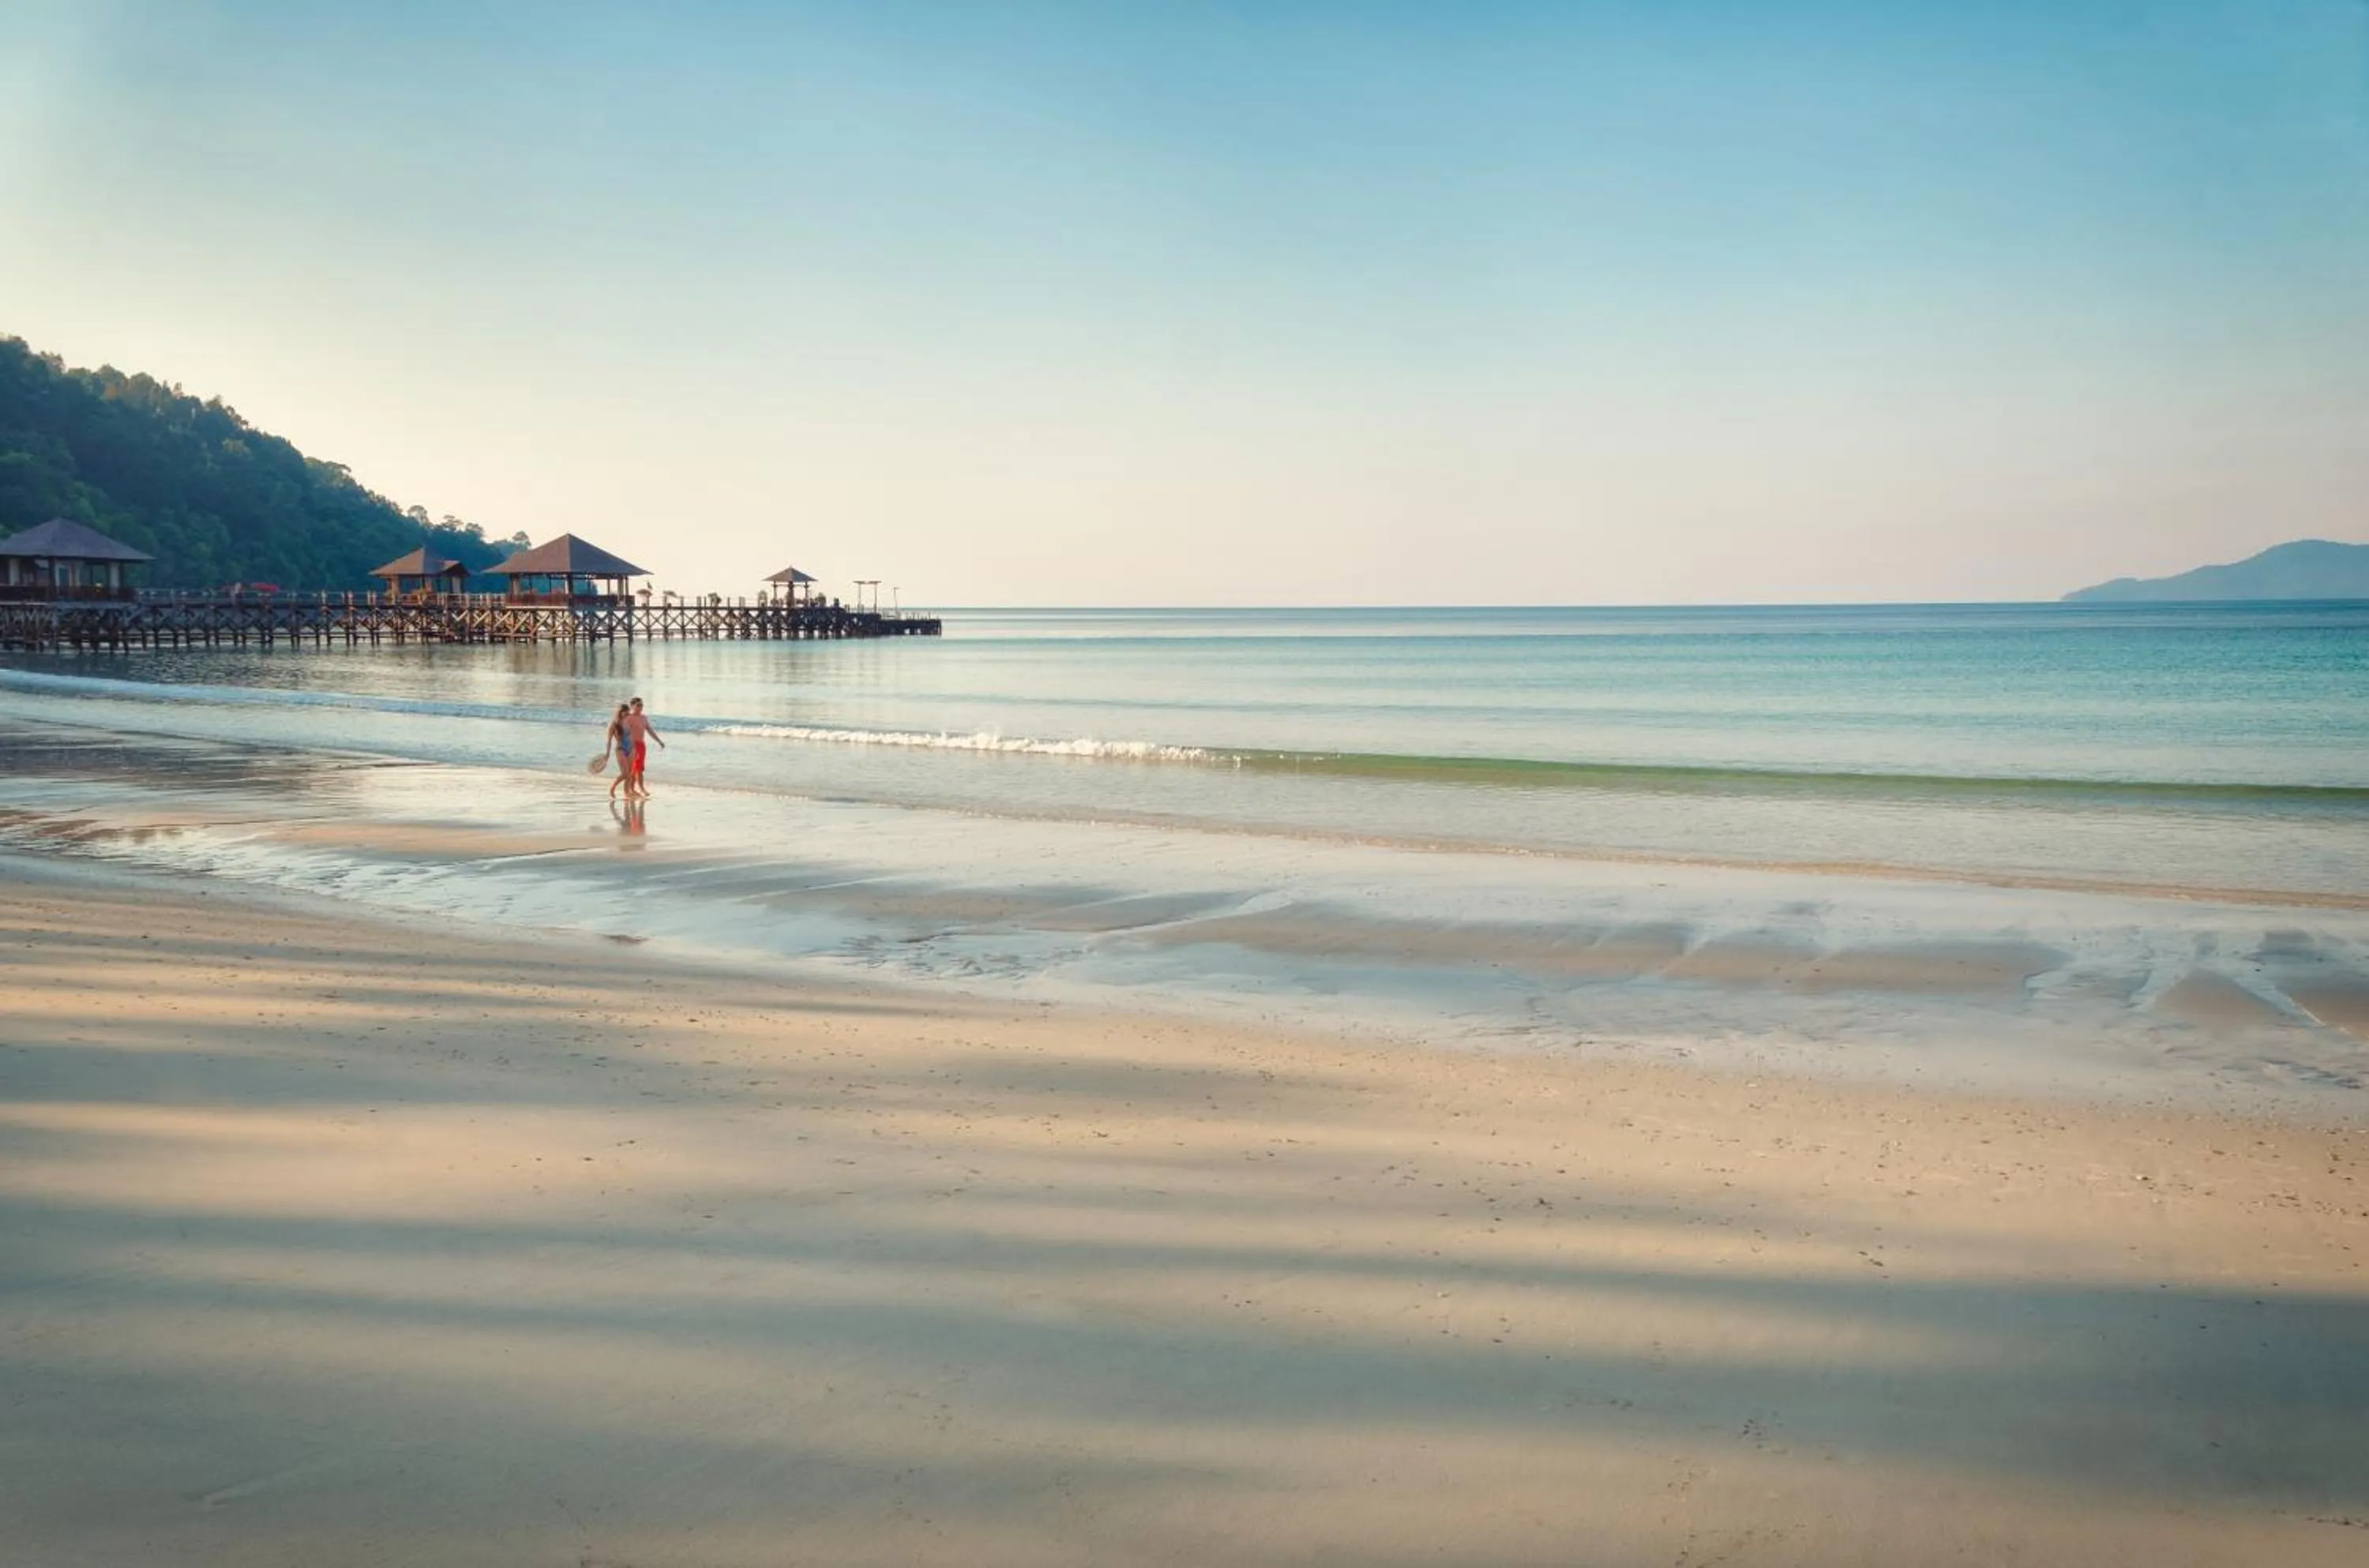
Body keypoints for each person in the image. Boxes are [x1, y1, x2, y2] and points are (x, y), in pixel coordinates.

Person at [623, 696, 665, 796]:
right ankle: (636, 789)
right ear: (632, 706)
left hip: (641, 745)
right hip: (631, 746)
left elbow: (649, 730)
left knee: (639, 768)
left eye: (642, 705)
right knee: (632, 769)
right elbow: (624, 734)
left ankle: (634, 789)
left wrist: (659, 741)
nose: (641, 707)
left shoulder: (644, 718)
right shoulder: (628, 718)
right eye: (638, 705)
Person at [602, 703, 635, 801]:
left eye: (628, 712)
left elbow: (631, 736)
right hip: (620, 749)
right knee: (625, 773)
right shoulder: (613, 724)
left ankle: (627, 793)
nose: (627, 714)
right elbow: (609, 740)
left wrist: (634, 748)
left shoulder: (629, 721)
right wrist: (607, 754)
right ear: (620, 712)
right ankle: (612, 788)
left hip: (631, 749)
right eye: (625, 712)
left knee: (630, 774)